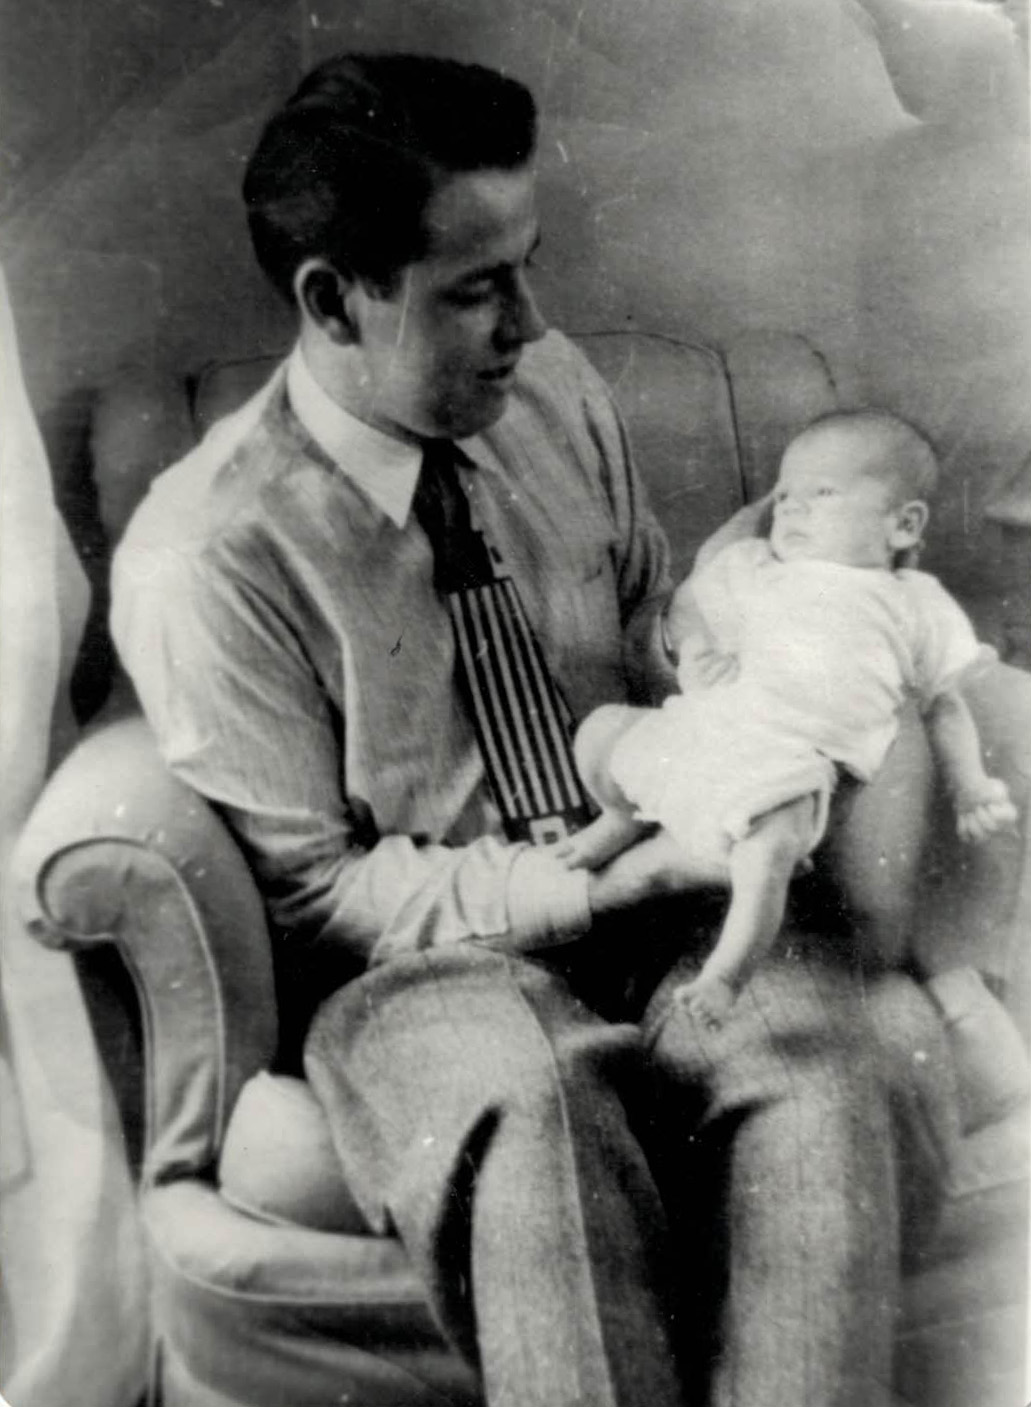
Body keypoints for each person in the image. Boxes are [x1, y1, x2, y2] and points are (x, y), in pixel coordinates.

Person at [111, 53, 958, 1407]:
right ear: (332, 299)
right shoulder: (207, 551)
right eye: (475, 289)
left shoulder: (552, 389)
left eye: (528, 268)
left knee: (826, 1078)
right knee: (537, 1111)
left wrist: (742, 640)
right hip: (430, 959)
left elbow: (643, 624)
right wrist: (599, 880)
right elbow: (319, 892)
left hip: (680, 883)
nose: (533, 322)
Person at [560, 410, 1017, 1029]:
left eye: (822, 493)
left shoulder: (914, 603)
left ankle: (725, 974)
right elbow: (693, 619)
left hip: (798, 765)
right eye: (784, 496)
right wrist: (697, 657)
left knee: (767, 852)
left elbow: (945, 704)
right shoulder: (754, 568)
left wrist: (971, 785)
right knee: (602, 733)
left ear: (903, 524)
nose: (792, 509)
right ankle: (619, 818)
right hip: (710, 727)